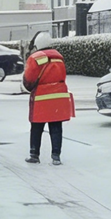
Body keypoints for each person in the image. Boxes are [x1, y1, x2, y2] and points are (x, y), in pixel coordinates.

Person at [22, 32, 73, 165]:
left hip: (42, 98)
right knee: (56, 127)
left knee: (37, 127)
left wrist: (28, 86)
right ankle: (56, 156)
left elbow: (29, 79)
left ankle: (34, 154)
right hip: (59, 97)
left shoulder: (35, 58)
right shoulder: (59, 58)